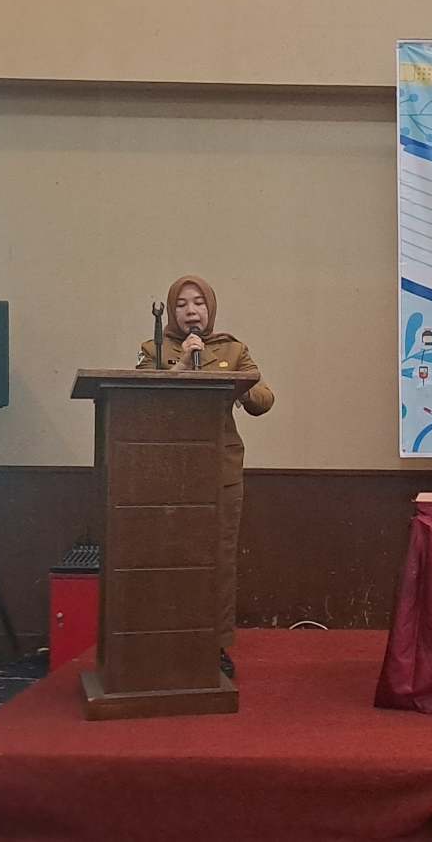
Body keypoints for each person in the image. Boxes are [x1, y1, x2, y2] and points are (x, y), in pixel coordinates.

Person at [135, 275, 274, 678]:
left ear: (210, 308)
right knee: (168, 558)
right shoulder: (154, 349)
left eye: (198, 303)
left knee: (218, 560)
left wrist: (235, 382)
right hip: (168, 472)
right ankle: (166, 640)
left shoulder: (233, 349)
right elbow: (141, 399)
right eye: (181, 304)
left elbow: (263, 400)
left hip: (219, 472)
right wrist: (180, 366)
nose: (191, 311)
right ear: (171, 311)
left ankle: (214, 645)